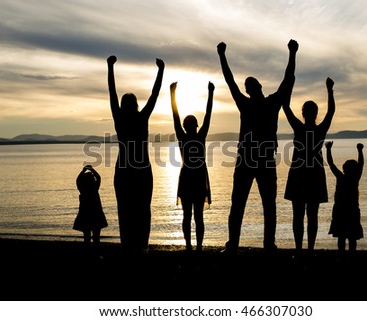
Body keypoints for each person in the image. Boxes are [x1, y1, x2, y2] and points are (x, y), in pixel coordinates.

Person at [217, 39, 298, 254]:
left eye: (250, 85)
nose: (248, 88)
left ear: (259, 87)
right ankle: (234, 244)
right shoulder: (246, 103)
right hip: (246, 160)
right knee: (239, 204)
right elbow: (230, 81)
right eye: (247, 87)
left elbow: (288, 79)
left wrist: (292, 53)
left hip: (262, 160)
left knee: (267, 205)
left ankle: (267, 244)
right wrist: (222, 56)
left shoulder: (272, 103)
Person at [107, 55, 165, 254]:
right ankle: (140, 245)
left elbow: (112, 94)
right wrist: (160, 71)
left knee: (129, 210)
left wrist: (110, 67)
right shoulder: (139, 118)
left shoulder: (124, 118)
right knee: (140, 210)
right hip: (136, 170)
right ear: (135, 105)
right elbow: (154, 95)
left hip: (129, 170)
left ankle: (134, 245)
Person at [283, 77, 336, 252]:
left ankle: (300, 249)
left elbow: (286, 108)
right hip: (312, 174)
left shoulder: (300, 128)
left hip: (301, 173)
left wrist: (288, 88)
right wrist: (329, 90)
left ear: (304, 113)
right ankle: (308, 249)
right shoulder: (318, 130)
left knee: (299, 215)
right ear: (313, 113)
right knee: (311, 215)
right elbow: (331, 112)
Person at [170, 81, 214, 252]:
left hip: (190, 177)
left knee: (189, 216)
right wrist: (210, 94)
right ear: (194, 126)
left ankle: (193, 246)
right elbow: (208, 115)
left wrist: (173, 95)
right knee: (194, 216)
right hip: (193, 177)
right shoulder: (197, 136)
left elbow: (176, 117)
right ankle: (195, 247)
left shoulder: (184, 136)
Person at [326, 141, 364, 251]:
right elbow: (361, 164)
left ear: (344, 169)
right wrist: (360, 151)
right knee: (351, 237)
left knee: (342, 236)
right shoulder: (353, 178)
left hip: (341, 209)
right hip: (349, 210)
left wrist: (328, 150)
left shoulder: (342, 177)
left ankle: (342, 253)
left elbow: (331, 164)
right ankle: (349, 254)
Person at [73, 165, 108, 244]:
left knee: (87, 236)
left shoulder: (83, 189)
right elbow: (98, 178)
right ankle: (95, 251)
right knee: (96, 237)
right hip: (96, 214)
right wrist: (92, 170)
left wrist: (83, 171)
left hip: (85, 214)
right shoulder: (94, 189)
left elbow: (78, 180)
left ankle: (88, 252)